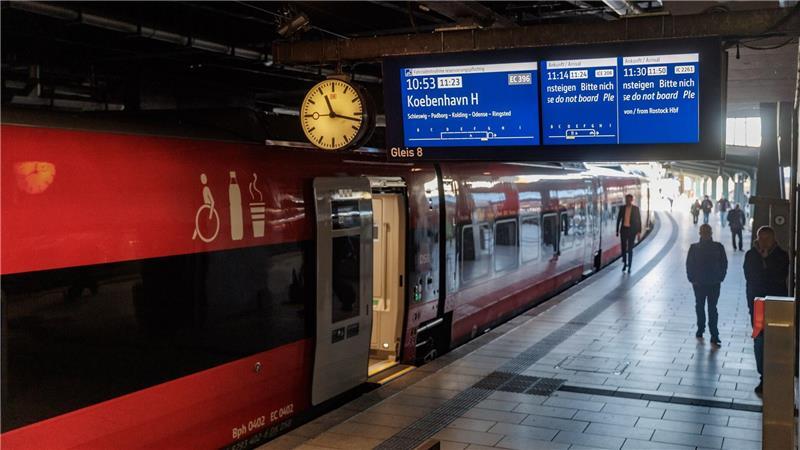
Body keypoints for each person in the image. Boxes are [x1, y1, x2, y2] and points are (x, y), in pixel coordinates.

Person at [743, 226, 790, 395]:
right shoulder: (751, 255)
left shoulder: (782, 256)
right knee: (759, 342)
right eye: (760, 238)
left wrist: (766, 262)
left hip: (777, 305)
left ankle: (774, 376)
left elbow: (778, 278)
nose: (763, 242)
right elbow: (752, 278)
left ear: (773, 239)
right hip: (757, 306)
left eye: (766, 239)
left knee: (775, 342)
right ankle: (763, 376)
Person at [686, 224, 727, 347]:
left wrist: (721, 277)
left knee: (710, 307)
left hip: (712, 282)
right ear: (700, 233)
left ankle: (713, 333)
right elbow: (689, 264)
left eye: (707, 231)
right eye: (704, 232)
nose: (705, 234)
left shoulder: (718, 247)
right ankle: (702, 328)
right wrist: (691, 278)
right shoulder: (694, 247)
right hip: (701, 282)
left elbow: (724, 263)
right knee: (703, 306)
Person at [616, 194, 641, 273]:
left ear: (632, 200)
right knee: (623, 248)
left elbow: (638, 221)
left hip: (631, 231)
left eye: (629, 200)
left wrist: (639, 232)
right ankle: (624, 262)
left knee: (630, 249)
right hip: (624, 230)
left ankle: (629, 266)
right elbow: (619, 219)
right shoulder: (622, 208)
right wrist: (617, 230)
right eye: (626, 200)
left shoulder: (635, 209)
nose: (628, 201)